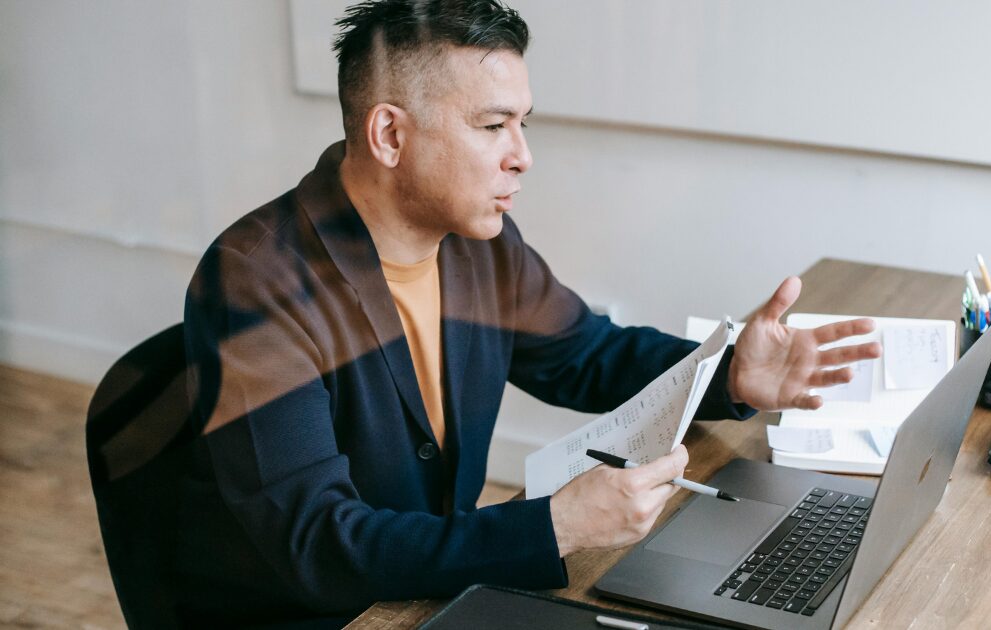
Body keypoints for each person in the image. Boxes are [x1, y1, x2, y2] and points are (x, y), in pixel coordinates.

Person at [175, 1, 881, 627]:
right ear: (390, 135)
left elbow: (583, 354)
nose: (523, 157)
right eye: (493, 125)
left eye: (522, 123)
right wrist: (555, 526)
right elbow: (319, 545)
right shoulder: (252, 282)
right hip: (331, 613)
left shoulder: (479, 243)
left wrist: (731, 375)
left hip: (437, 584)